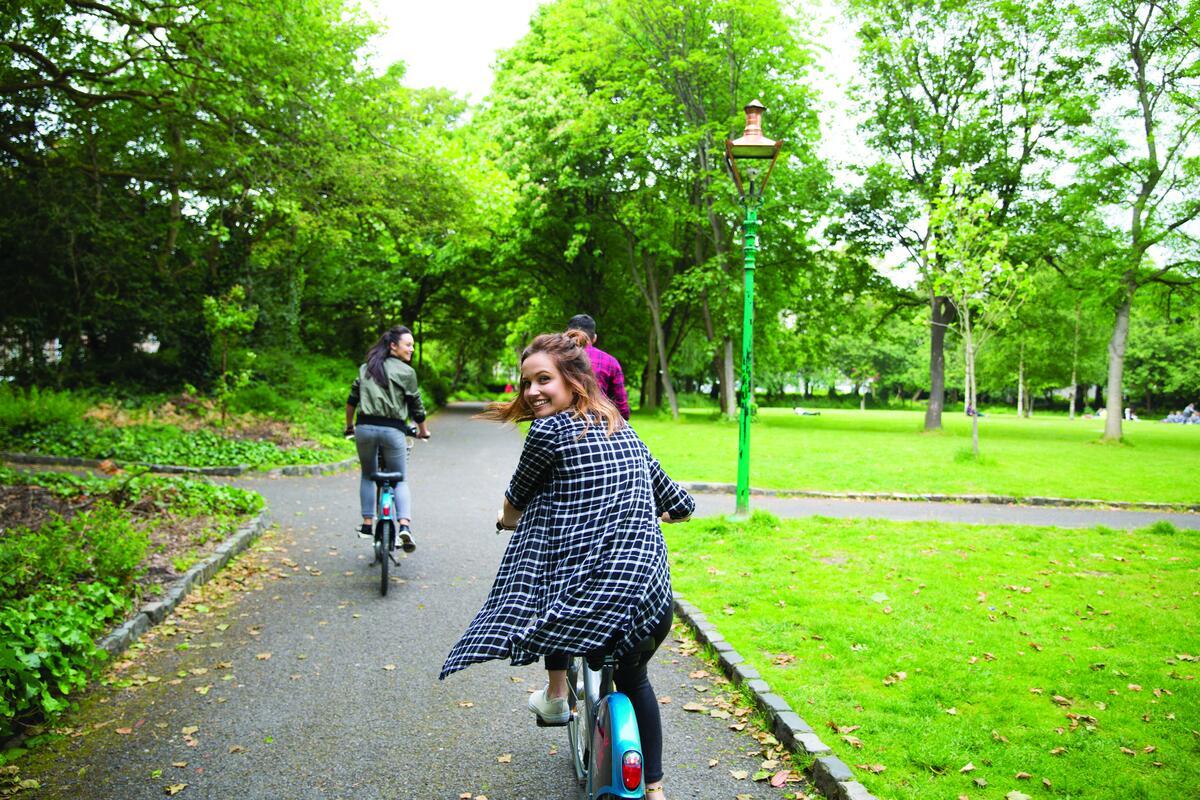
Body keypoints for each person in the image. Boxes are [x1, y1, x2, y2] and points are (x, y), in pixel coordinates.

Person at [440, 331, 693, 799]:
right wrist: (659, 509)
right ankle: (655, 787)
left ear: (574, 380)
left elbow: (516, 499)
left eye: (543, 380)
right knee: (635, 677)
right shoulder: (623, 426)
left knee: (551, 587)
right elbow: (679, 500)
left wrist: (505, 520)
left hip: (590, 604)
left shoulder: (548, 431)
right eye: (526, 383)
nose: (532, 392)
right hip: (651, 602)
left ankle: (557, 697)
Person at [345, 325, 430, 551]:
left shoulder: (366, 368)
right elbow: (416, 406)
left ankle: (366, 524)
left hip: (364, 428)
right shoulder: (406, 372)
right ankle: (404, 526)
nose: (412, 349)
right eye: (408, 345)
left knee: (367, 475)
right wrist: (423, 430)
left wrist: (349, 426)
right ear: (393, 346)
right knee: (399, 479)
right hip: (393, 431)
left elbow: (352, 400)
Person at [566, 313, 631, 420]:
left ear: (567, 334)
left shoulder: (554, 357)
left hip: (562, 420)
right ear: (594, 338)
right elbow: (621, 403)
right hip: (600, 421)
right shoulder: (610, 361)